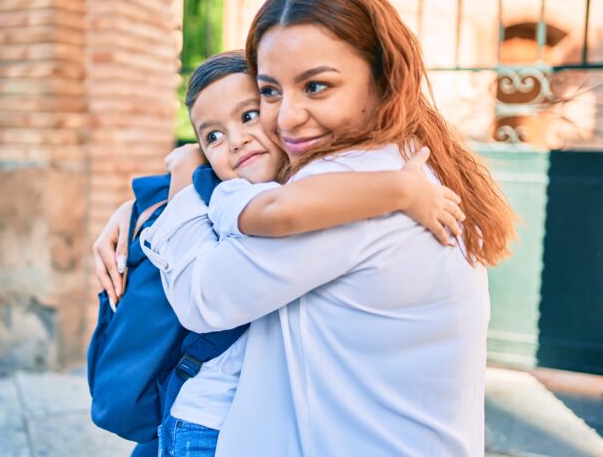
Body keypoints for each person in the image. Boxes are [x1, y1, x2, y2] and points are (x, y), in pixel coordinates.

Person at [140, 0, 516, 457]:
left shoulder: (357, 182)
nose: (286, 117)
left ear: (384, 79)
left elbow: (204, 296)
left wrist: (181, 181)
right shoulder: (404, 159)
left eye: (316, 86)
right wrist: (144, 203)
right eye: (271, 92)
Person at [94, 50, 464, 457]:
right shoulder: (233, 196)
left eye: (249, 115)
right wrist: (400, 189)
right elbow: (279, 213)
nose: (235, 140)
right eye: (212, 137)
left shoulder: (285, 187)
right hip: (207, 422)